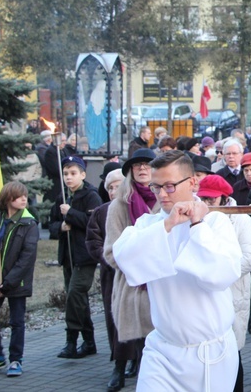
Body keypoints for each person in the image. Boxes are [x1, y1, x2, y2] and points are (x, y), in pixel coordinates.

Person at [112, 150, 242, 391]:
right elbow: (125, 257)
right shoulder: (149, 224)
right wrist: (168, 224)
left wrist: (197, 225)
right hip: (162, 350)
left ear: (192, 182)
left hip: (209, 354)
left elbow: (223, 273)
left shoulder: (215, 223)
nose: (162, 194)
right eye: (155, 187)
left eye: (169, 186)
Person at [196, 175, 251, 392]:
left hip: (233, 291)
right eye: (202, 198)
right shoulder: (196, 216)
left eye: (211, 200)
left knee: (232, 350)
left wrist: (218, 272)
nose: (205, 204)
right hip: (204, 294)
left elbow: (250, 257)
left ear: (224, 198)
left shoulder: (241, 219)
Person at [103, 148, 158, 387]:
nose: (143, 169)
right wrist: (137, 264)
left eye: (147, 165)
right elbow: (111, 250)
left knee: (155, 339)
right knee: (124, 332)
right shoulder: (119, 206)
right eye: (138, 166)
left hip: (159, 281)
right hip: (130, 281)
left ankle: (151, 377)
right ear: (130, 172)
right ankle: (119, 369)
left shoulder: (165, 202)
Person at [49, 155, 103, 359]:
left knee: (74, 294)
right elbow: (51, 224)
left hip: (84, 255)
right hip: (67, 254)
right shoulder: (61, 196)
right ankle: (89, 341)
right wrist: (60, 227)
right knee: (78, 300)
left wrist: (71, 213)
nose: (68, 178)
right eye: (65, 174)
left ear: (82, 174)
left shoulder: (91, 196)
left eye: (73, 174)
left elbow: (93, 223)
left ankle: (71, 339)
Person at [0, 182, 38, 377]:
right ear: (7, 199)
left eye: (25, 196)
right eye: (18, 196)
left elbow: (26, 258)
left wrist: (7, 284)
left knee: (16, 321)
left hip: (16, 282)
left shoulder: (29, 224)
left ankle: (16, 359)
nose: (24, 199)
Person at [85, 169, 131, 391]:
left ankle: (139, 359)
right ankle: (119, 367)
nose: (114, 191)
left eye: (118, 186)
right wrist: (111, 259)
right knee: (116, 319)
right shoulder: (101, 212)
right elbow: (93, 241)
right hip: (112, 275)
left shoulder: (136, 209)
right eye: (110, 188)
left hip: (138, 274)